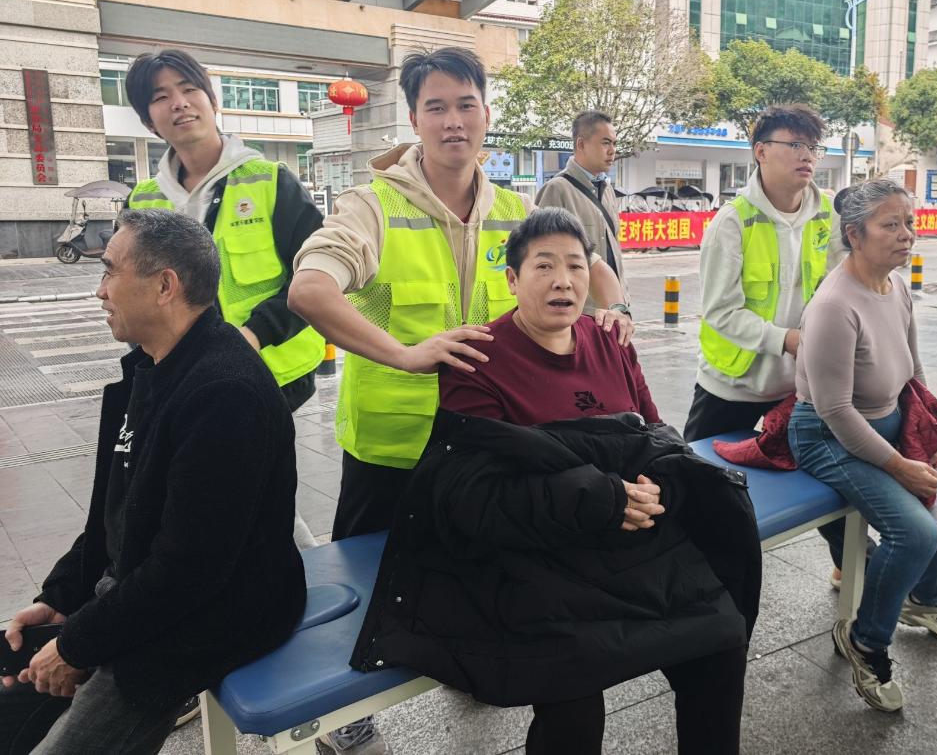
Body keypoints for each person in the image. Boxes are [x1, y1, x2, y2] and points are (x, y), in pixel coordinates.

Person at [288, 48, 630, 754]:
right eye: (436, 107)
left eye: (466, 104)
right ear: (414, 119)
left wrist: (616, 308)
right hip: (391, 449)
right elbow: (310, 289)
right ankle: (348, 712)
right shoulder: (372, 206)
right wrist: (405, 353)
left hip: (485, 447)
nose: (453, 121)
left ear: (486, 114)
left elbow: (589, 263)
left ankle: (472, 668)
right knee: (370, 584)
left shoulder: (515, 208)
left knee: (483, 567)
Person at [352, 208, 759, 755]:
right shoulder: (478, 358)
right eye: (543, 266)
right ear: (512, 279)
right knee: (572, 693)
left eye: (574, 266)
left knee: (721, 642)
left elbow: (659, 439)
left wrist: (656, 492)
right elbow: (475, 498)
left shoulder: (610, 342)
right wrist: (600, 498)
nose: (562, 281)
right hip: (540, 557)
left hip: (633, 546)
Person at [0, 210, 306, 755]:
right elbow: (115, 515)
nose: (99, 291)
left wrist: (76, 646)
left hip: (205, 619)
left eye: (109, 271)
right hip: (140, 594)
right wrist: (61, 598)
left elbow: (189, 573)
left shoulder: (225, 394)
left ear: (165, 286)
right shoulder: (150, 369)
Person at [788, 180, 937, 713]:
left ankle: (923, 599)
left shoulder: (895, 284)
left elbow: (914, 372)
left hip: (888, 425)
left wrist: (927, 440)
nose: (906, 235)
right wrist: (899, 466)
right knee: (914, 531)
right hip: (827, 437)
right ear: (854, 234)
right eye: (890, 225)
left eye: (908, 222)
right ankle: (866, 641)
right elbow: (835, 410)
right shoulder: (834, 305)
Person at [686, 103, 848, 580]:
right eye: (794, 145)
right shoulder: (733, 222)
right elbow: (721, 311)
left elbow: (841, 285)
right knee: (693, 478)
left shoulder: (827, 214)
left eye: (812, 146)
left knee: (826, 472)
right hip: (732, 381)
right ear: (760, 152)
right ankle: (691, 570)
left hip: (800, 382)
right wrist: (788, 339)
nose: (807, 156)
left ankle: (853, 565)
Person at [123, 49, 325, 414]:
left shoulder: (270, 182)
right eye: (161, 97)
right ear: (148, 122)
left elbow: (318, 276)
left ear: (213, 102)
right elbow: (125, 292)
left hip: (271, 375)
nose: (179, 103)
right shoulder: (142, 201)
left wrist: (253, 335)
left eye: (189, 89)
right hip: (180, 379)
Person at [535, 110, 630, 315]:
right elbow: (541, 258)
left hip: (614, 311)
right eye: (605, 143)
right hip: (580, 314)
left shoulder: (607, 190)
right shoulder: (557, 190)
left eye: (614, 143)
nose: (612, 150)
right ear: (581, 144)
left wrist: (623, 301)